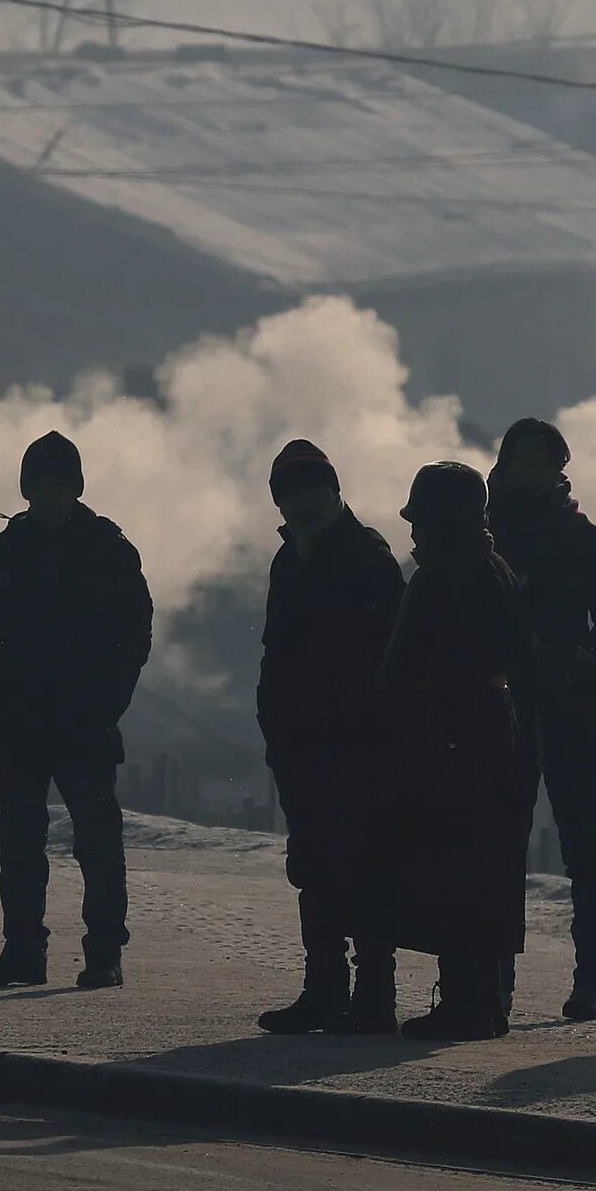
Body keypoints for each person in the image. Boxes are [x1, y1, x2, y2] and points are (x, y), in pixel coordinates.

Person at [0, 432, 155, 993]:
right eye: (41, 483)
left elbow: (131, 637)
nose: (50, 493)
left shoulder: (108, 551)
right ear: (27, 488)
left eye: (59, 482)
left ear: (75, 486)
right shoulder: (3, 554)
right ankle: (24, 950)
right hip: (20, 721)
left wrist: (104, 703)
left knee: (95, 839)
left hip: (81, 721)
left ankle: (102, 954)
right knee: (21, 842)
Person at [253, 439, 407, 1035]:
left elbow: (385, 654)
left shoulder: (366, 555)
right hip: (302, 739)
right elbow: (277, 650)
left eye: (314, 490)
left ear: (335, 491)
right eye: (292, 494)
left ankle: (372, 996)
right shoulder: (289, 559)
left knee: (363, 864)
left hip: (358, 739)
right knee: (314, 864)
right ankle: (324, 988)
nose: (304, 502)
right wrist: (275, 723)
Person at [488, 417, 596, 1023]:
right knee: (502, 848)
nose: (528, 472)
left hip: (569, 709)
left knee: (585, 851)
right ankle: (495, 979)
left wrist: (588, 660)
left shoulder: (581, 538)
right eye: (520, 460)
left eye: (539, 462)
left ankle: (590, 981)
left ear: (559, 469)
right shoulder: (485, 534)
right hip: (505, 708)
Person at [377, 460, 529, 1041]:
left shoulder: (446, 577)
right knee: (479, 871)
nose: (414, 533)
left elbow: (429, 665)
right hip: (481, 735)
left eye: (424, 520)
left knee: (457, 871)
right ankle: (479, 999)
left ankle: (467, 1003)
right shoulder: (492, 570)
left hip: (451, 740)